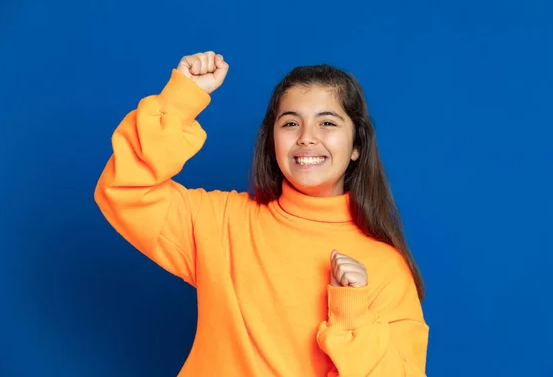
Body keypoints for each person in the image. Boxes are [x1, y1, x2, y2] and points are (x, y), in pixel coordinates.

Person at [94, 51, 429, 376]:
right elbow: (127, 189)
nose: (306, 138)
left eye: (327, 122)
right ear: (272, 141)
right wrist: (180, 100)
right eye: (290, 123)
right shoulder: (221, 222)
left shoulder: (385, 268)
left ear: (357, 146)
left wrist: (353, 317)